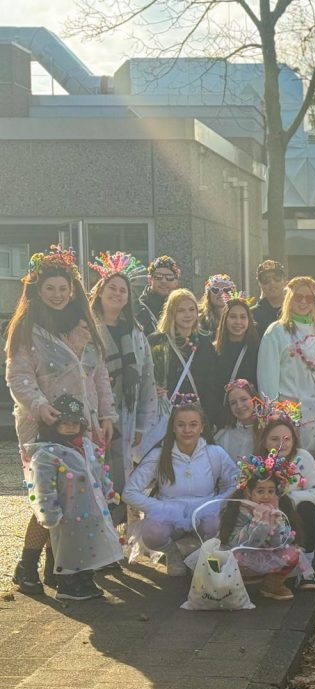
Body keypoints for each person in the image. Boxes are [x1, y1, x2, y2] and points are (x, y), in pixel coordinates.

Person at [7, 246, 115, 593]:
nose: (57, 295)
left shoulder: (83, 325)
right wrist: (39, 406)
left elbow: (99, 377)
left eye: (63, 288)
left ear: (73, 291)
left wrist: (106, 415)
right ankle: (32, 567)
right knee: (50, 498)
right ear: (38, 290)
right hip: (44, 427)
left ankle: (56, 568)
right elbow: (18, 376)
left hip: (81, 425)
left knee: (72, 498)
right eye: (50, 288)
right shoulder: (27, 328)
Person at [122, 397, 238, 575]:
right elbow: (129, 492)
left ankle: (201, 554)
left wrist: (217, 502)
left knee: (214, 525)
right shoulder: (159, 455)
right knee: (152, 533)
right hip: (169, 512)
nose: (187, 430)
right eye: (181, 425)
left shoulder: (215, 453)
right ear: (173, 428)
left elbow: (236, 481)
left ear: (202, 427)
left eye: (193, 424)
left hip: (204, 510)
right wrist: (161, 507)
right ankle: (173, 553)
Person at [25, 394, 122, 600]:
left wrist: (109, 494)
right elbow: (42, 487)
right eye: (65, 423)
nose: (70, 427)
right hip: (67, 513)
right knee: (68, 548)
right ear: (54, 423)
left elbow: (101, 472)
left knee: (90, 546)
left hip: (91, 511)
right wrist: (48, 512)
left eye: (75, 423)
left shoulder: (88, 448)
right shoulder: (47, 454)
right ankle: (68, 583)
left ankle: (85, 576)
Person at [87, 251, 159, 517]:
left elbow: (147, 379)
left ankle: (118, 539)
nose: (117, 294)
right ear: (100, 290)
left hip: (126, 415)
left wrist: (142, 423)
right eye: (112, 288)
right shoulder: (86, 329)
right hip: (93, 414)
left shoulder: (136, 333)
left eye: (123, 291)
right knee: (94, 471)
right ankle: (95, 533)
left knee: (121, 473)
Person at [257, 276, 315, 464]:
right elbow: (267, 377)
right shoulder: (276, 331)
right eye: (298, 297)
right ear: (290, 299)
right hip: (286, 412)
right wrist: (271, 415)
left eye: (309, 298)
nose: (304, 302)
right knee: (287, 464)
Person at [255, 400, 315, 589]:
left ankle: (306, 570)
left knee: (308, 507)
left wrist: (290, 498)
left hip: (298, 516)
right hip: (268, 520)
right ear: (264, 441)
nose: (281, 444)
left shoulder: (303, 457)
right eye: (274, 439)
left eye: (287, 439)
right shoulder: (259, 463)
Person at [219, 451, 304, 601]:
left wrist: (276, 525)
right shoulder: (241, 511)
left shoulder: (275, 510)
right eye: (260, 491)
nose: (266, 496)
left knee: (292, 552)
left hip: (266, 553)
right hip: (243, 554)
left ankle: (271, 584)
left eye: (270, 491)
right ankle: (234, 584)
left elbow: (279, 544)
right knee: (233, 559)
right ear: (249, 493)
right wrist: (260, 525)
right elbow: (241, 543)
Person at [149, 288, 219, 415]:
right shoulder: (157, 341)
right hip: (166, 413)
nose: (188, 315)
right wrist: (152, 387)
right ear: (171, 313)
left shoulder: (204, 341)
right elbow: (146, 375)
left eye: (192, 309)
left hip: (197, 414)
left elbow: (212, 383)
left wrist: (209, 416)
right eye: (181, 310)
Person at [212, 293, 260, 426]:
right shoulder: (213, 351)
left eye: (243, 317)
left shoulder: (258, 350)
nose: (238, 322)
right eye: (233, 317)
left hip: (252, 420)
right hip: (222, 420)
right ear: (225, 319)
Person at [215, 379, 261, 460]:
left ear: (254, 399)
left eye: (244, 399)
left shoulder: (267, 432)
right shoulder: (223, 437)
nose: (239, 406)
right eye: (233, 403)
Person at [137, 255, 180, 336]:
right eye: (158, 276)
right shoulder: (140, 308)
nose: (163, 281)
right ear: (150, 280)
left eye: (169, 277)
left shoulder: (182, 306)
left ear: (175, 282)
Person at [252, 259, 287, 338]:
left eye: (277, 278)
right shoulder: (252, 315)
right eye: (265, 280)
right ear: (260, 284)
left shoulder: (295, 310)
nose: (272, 283)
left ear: (285, 281)